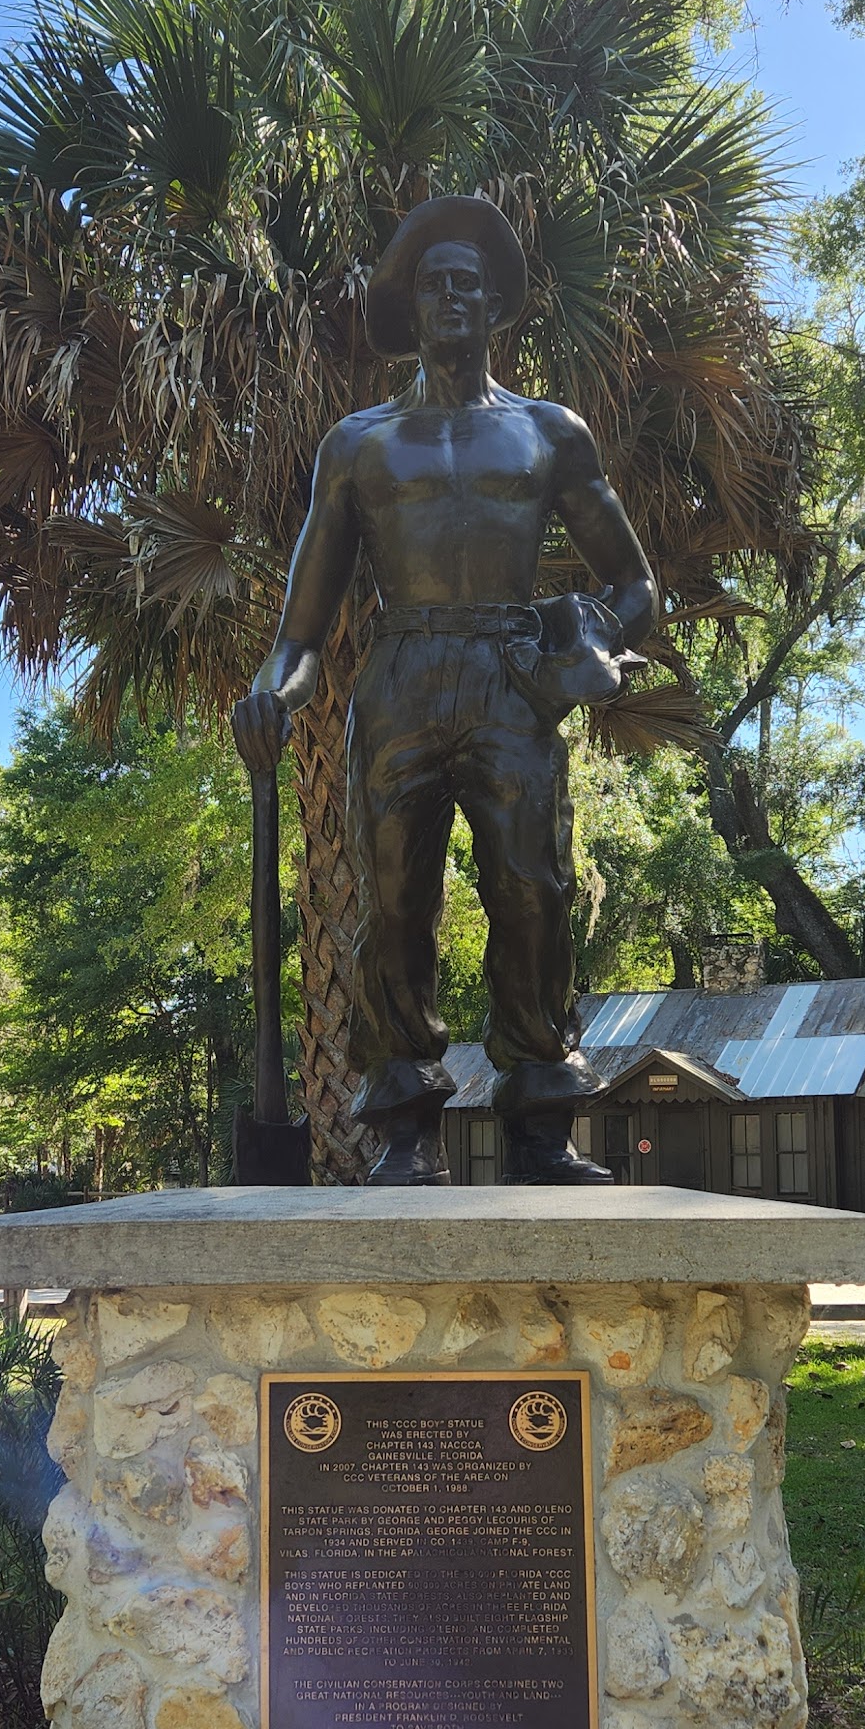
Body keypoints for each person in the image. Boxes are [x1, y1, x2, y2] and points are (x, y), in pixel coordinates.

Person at [232, 194, 658, 1186]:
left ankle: (540, 1127)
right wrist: (273, 693)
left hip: (510, 675)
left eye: (469, 281)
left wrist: (580, 640)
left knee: (534, 894)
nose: (452, 296)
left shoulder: (551, 433)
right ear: (410, 306)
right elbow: (301, 628)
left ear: (497, 303)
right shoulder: (360, 444)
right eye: (433, 283)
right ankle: (403, 1127)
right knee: (392, 906)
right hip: (400, 677)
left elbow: (637, 586)